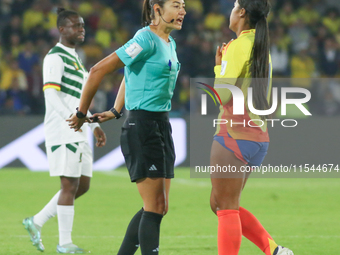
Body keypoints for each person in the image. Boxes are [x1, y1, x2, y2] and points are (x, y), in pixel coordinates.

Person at [67, 1, 186, 254]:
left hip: (162, 125)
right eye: (176, 5)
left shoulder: (169, 43)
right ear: (157, 9)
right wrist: (81, 112)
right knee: (154, 207)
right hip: (142, 127)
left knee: (158, 206)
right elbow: (97, 70)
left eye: (183, 6)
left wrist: (115, 110)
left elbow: (130, 72)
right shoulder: (145, 39)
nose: (182, 11)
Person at [211, 0, 294, 255]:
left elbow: (221, 96)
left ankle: (271, 250)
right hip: (258, 137)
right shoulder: (261, 48)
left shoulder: (237, 47)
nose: (231, 10)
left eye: (234, 5)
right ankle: (274, 250)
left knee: (225, 207)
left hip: (233, 135)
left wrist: (218, 66)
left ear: (242, 13)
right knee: (220, 203)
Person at [22, 8, 106, 254]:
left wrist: (95, 124)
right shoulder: (55, 57)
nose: (81, 29)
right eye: (75, 26)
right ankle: (65, 243)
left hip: (79, 127)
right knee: (69, 185)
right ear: (61, 29)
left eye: (82, 25)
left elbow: (80, 98)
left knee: (83, 185)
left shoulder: (75, 59)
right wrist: (71, 119)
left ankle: (35, 221)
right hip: (64, 128)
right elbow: (51, 93)